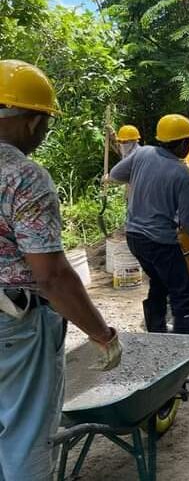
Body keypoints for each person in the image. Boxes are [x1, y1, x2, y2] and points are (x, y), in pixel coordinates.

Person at [0, 59, 121, 479]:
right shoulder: (23, 176)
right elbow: (50, 276)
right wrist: (100, 334)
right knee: (26, 439)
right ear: (31, 122)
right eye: (46, 122)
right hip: (14, 327)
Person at [110, 114, 189, 334]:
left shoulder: (143, 153)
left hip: (134, 238)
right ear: (184, 143)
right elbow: (188, 222)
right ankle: (183, 344)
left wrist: (143, 181)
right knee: (183, 293)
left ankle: (156, 333)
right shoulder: (183, 175)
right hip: (160, 243)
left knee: (158, 283)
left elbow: (115, 174)